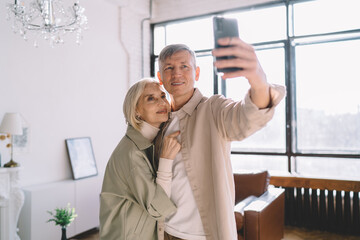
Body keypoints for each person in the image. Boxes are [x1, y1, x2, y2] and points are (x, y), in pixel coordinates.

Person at [156, 37, 286, 240]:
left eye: (184, 66)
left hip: (204, 234)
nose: (177, 73)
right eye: (169, 68)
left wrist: (257, 78)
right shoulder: (158, 122)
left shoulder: (213, 109)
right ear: (160, 77)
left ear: (197, 73)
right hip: (165, 231)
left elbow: (246, 117)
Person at [99, 78, 181, 240]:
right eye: (151, 98)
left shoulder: (148, 144)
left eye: (163, 96)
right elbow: (157, 208)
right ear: (136, 110)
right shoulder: (131, 153)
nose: (161, 102)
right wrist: (166, 159)